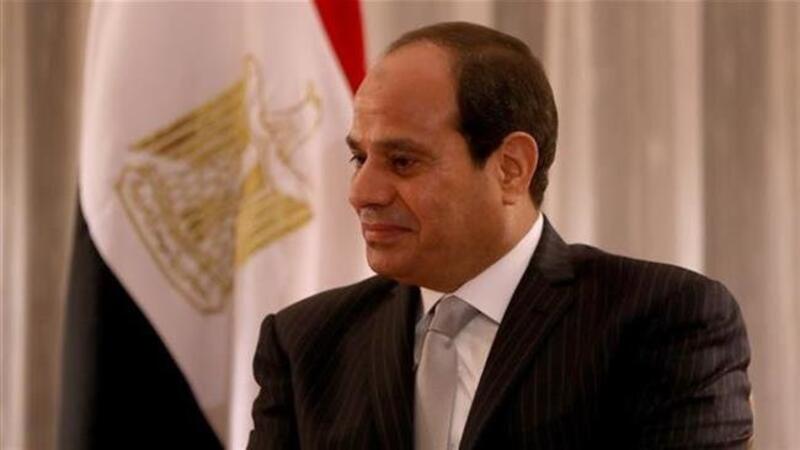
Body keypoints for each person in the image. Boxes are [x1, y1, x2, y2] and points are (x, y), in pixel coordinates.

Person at [247, 22, 753, 450]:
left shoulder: (664, 321)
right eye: (359, 157)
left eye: (402, 161)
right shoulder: (305, 343)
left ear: (511, 168)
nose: (362, 192)